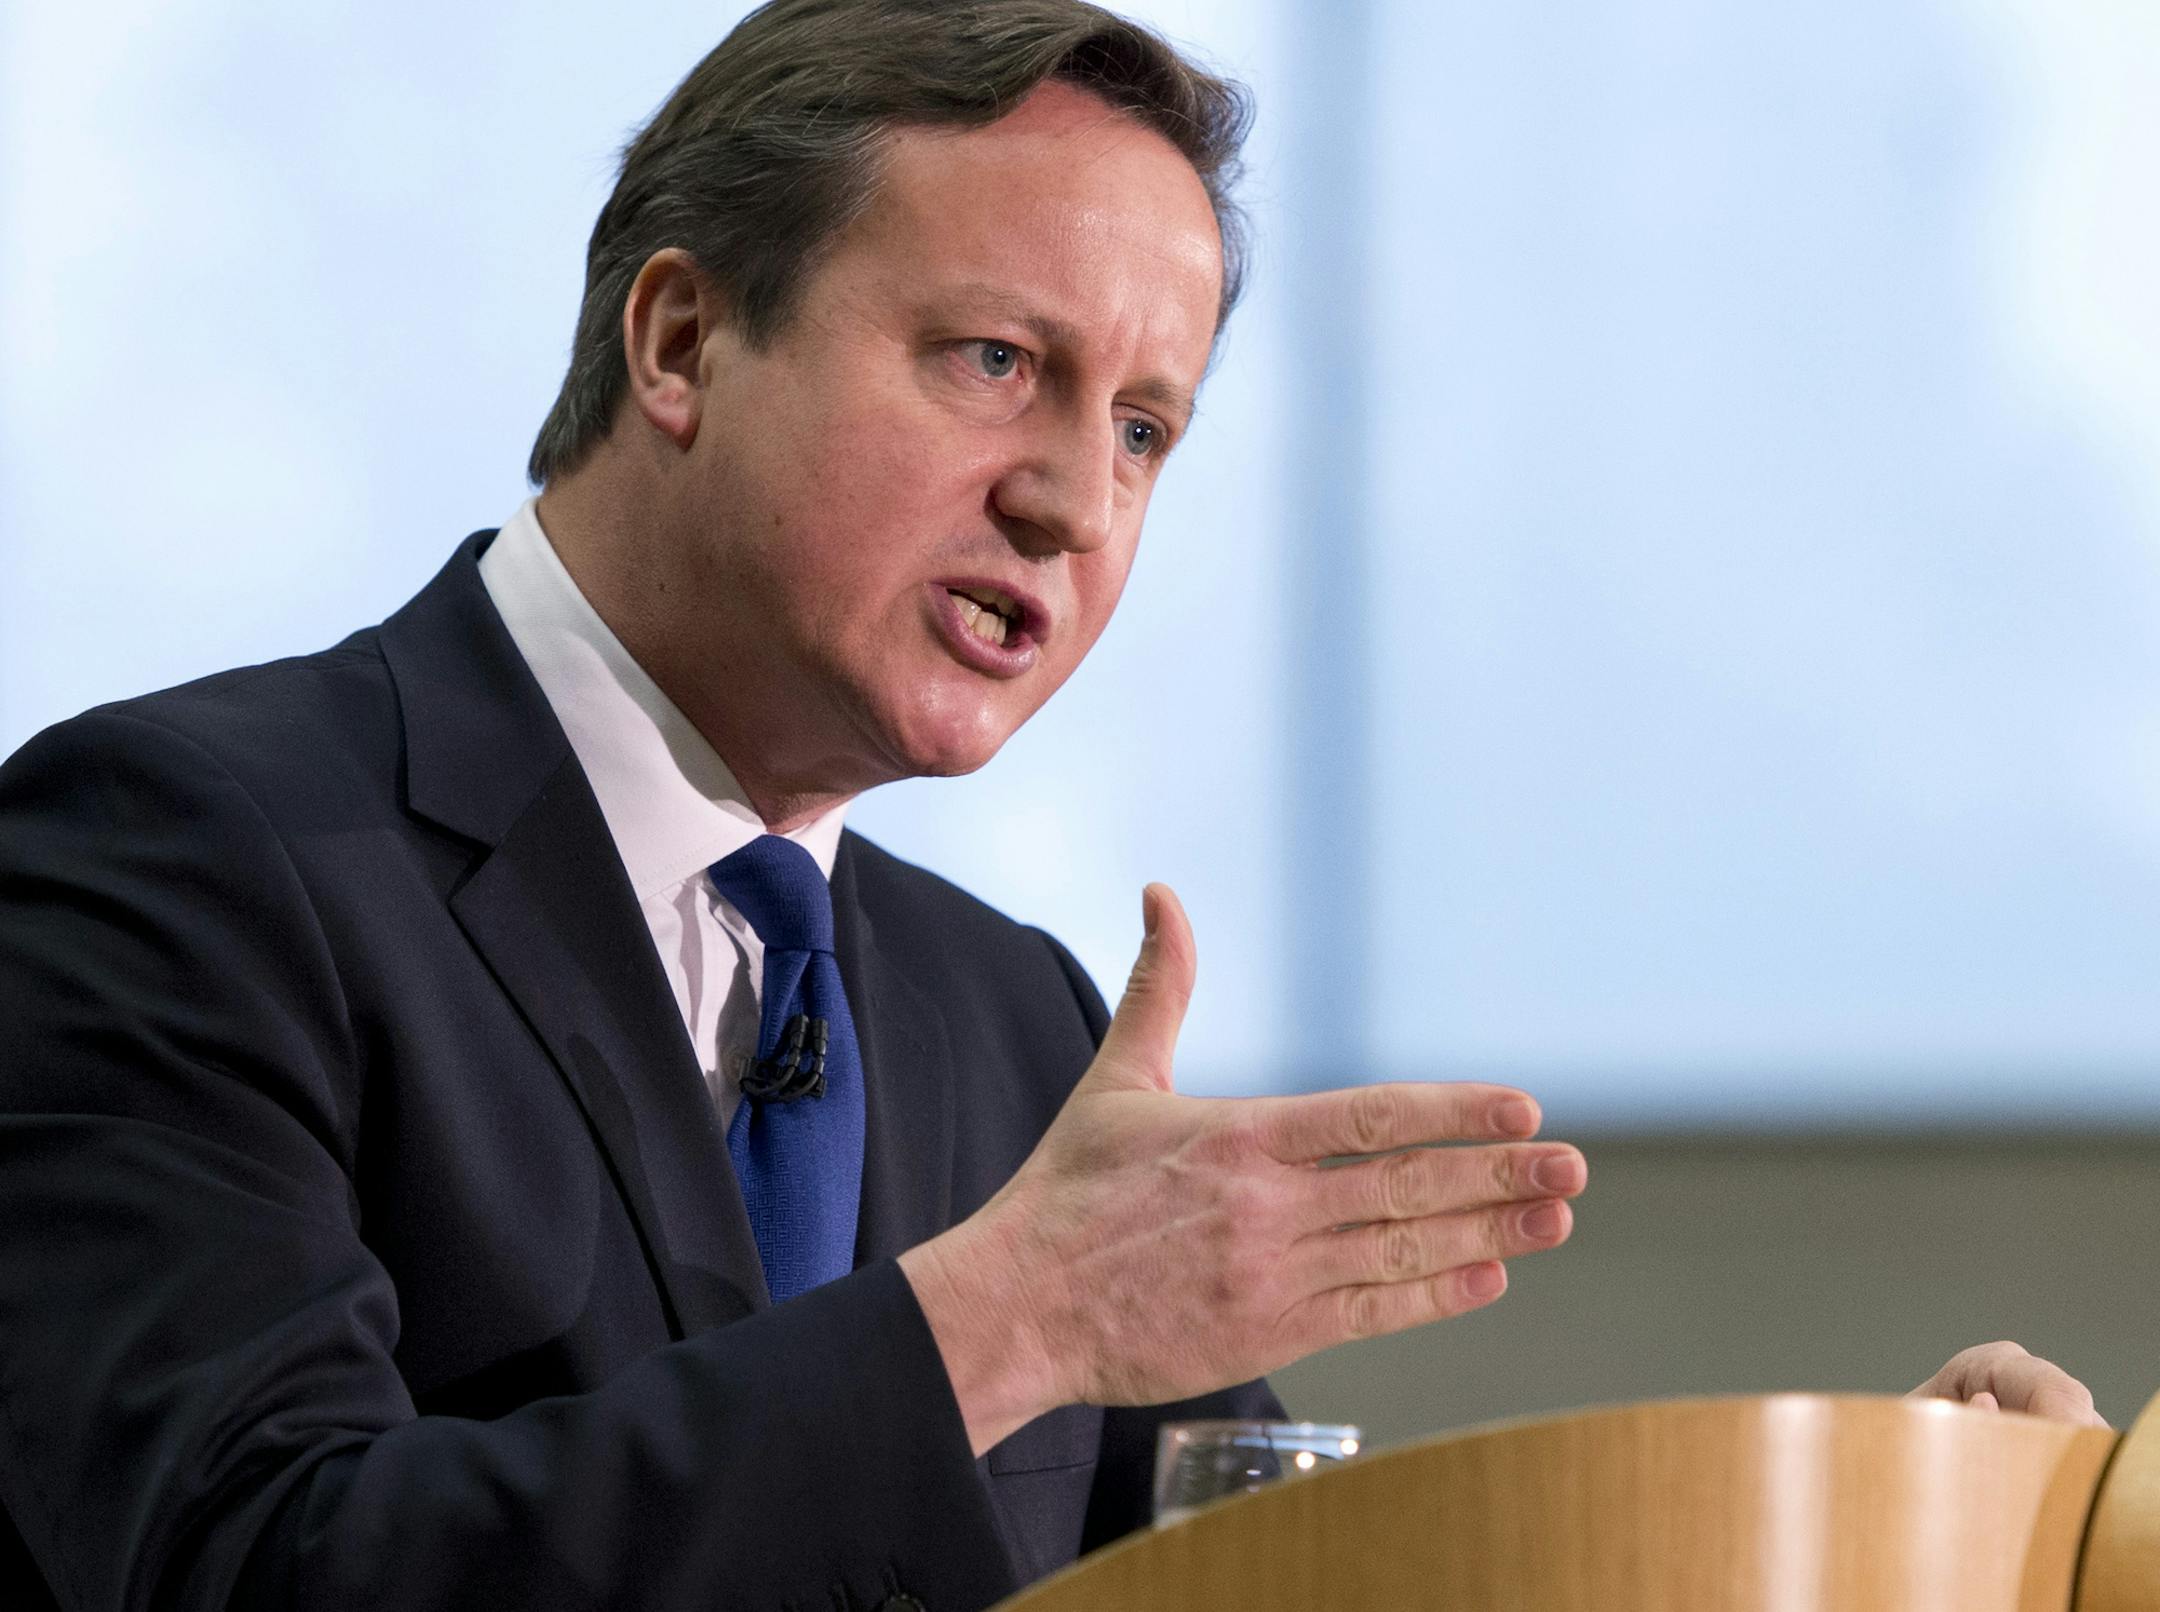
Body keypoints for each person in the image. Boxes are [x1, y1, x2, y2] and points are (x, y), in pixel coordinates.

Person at [0, 3, 2101, 1610]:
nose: (1075, 497)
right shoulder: (185, 857)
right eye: (996, 360)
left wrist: (1839, 1533)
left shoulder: (1006, 1020)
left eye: (1149, 426)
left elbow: (1282, 1589)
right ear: (679, 335)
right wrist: (1010, 1322)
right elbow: (255, 1567)